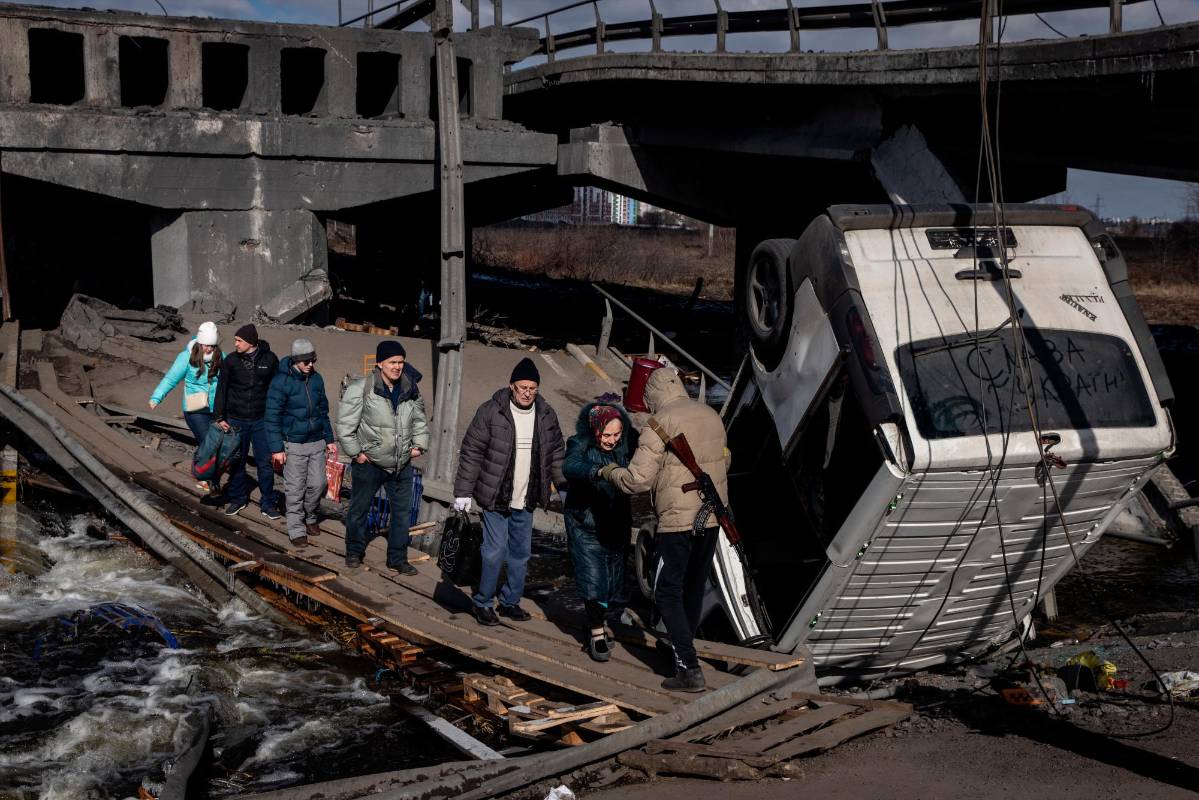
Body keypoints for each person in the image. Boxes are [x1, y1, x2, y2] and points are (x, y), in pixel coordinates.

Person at [601, 366, 729, 692]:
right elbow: (724, 460)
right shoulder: (710, 414)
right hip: (712, 517)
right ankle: (680, 649)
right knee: (692, 588)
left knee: (665, 590)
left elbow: (636, 480)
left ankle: (689, 668)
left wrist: (609, 471)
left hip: (677, 522)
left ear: (653, 395)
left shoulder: (659, 424)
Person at [454, 357, 566, 627]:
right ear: (511, 386)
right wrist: (463, 492)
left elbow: (556, 454)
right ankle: (482, 602)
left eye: (532, 388)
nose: (527, 393)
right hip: (495, 495)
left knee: (520, 553)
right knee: (494, 552)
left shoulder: (546, 414)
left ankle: (510, 602)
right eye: (522, 387)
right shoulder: (492, 412)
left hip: (526, 498)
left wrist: (563, 487)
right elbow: (471, 452)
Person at [335, 340, 428, 574]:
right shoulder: (362, 388)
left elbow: (419, 420)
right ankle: (354, 551)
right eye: (392, 362)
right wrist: (357, 454)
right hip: (370, 462)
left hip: (401, 462)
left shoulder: (410, 389)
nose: (397, 367)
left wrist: (420, 446)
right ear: (379, 363)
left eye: (400, 362)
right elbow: (345, 426)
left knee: (401, 513)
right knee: (359, 509)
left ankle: (397, 558)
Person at [562, 401, 637, 662]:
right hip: (586, 523)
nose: (612, 440)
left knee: (614, 582)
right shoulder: (578, 443)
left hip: (617, 522)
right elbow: (571, 466)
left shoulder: (628, 441)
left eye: (616, 434)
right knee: (594, 580)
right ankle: (596, 633)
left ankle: (600, 620)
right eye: (607, 435)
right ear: (595, 431)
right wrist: (599, 471)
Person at [265, 338, 337, 547]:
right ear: (296, 361)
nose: (310, 365)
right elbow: (272, 417)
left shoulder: (317, 379)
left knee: (318, 484)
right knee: (295, 488)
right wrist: (277, 448)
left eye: (312, 360)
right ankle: (296, 528)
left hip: (316, 441)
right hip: (293, 444)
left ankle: (311, 517)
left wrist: (329, 439)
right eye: (306, 361)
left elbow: (323, 412)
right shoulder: (280, 382)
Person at [214, 324, 280, 519]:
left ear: (251, 342)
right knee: (236, 462)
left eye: (239, 340)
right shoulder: (231, 361)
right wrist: (219, 417)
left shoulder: (270, 359)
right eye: (235, 340)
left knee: (265, 463)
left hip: (261, 420)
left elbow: (276, 390)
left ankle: (267, 503)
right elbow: (222, 389)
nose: (235, 344)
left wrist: (275, 418)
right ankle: (238, 499)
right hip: (236, 419)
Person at [148, 320, 222, 443]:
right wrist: (156, 397)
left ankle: (202, 462)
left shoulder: (220, 356)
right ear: (199, 342)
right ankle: (202, 462)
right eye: (206, 345)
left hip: (216, 409)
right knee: (208, 443)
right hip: (195, 409)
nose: (209, 349)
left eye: (212, 346)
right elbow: (170, 379)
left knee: (216, 445)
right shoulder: (187, 357)